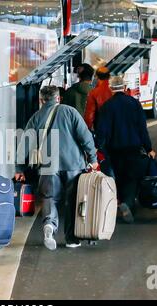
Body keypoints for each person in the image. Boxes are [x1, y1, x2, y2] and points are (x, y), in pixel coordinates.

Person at [15, 86, 98, 250]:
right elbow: (85, 137)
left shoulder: (36, 117)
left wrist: (19, 169)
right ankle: (71, 239)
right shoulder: (70, 112)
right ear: (58, 98)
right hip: (73, 164)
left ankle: (49, 226)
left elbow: (24, 144)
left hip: (48, 166)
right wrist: (93, 158)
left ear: (41, 100)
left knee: (50, 197)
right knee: (72, 201)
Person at [95, 76, 156, 223]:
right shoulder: (134, 103)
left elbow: (101, 131)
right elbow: (142, 129)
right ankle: (127, 204)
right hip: (133, 148)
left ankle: (123, 202)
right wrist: (149, 148)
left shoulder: (107, 106)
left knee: (119, 176)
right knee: (132, 177)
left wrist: (97, 147)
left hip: (114, 150)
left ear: (111, 88)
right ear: (124, 87)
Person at [84, 66, 113, 132]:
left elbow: (89, 115)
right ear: (109, 76)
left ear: (96, 77)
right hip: (116, 127)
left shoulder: (94, 93)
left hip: (101, 128)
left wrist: (88, 127)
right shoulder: (115, 90)